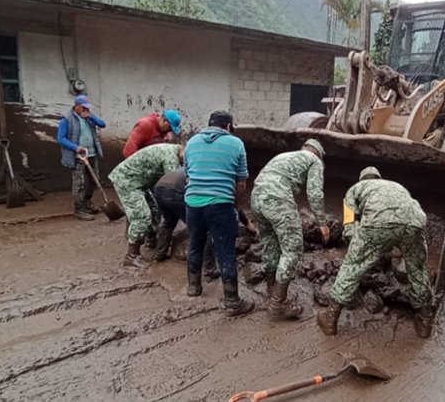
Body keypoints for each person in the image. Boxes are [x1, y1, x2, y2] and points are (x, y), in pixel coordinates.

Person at [316, 167, 435, 338]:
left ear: (361, 180)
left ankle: (330, 318)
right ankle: (424, 321)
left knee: (352, 266)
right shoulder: (396, 186)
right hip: (415, 222)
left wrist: (359, 253)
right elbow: (402, 220)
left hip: (379, 222)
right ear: (379, 178)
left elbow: (349, 227)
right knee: (417, 268)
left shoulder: (354, 190)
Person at [183, 110, 254, 317]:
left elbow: (188, 175)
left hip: (193, 203)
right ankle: (232, 303)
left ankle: (193, 287)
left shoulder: (192, 142)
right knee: (225, 251)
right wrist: (234, 203)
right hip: (220, 205)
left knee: (195, 243)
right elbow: (241, 182)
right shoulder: (236, 143)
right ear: (229, 127)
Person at [251, 139, 330, 319]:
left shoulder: (285, 156)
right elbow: (315, 193)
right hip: (278, 199)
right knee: (293, 249)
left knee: (270, 245)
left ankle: (271, 292)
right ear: (318, 154)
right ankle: (278, 303)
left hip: (257, 198)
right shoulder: (314, 161)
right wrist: (322, 223)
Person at [108, 143, 182, 268]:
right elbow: (172, 183)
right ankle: (131, 256)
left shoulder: (172, 150)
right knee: (141, 216)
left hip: (140, 182)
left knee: (153, 209)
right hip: (127, 181)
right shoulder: (170, 156)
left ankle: (151, 241)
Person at [57, 95, 107, 221]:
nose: (86, 110)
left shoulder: (88, 116)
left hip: (91, 154)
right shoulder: (66, 119)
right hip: (77, 156)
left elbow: (102, 124)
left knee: (94, 180)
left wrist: (91, 117)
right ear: (77, 106)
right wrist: (75, 147)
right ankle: (79, 210)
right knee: (79, 183)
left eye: (87, 108)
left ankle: (87, 202)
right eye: (84, 107)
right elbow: (61, 138)